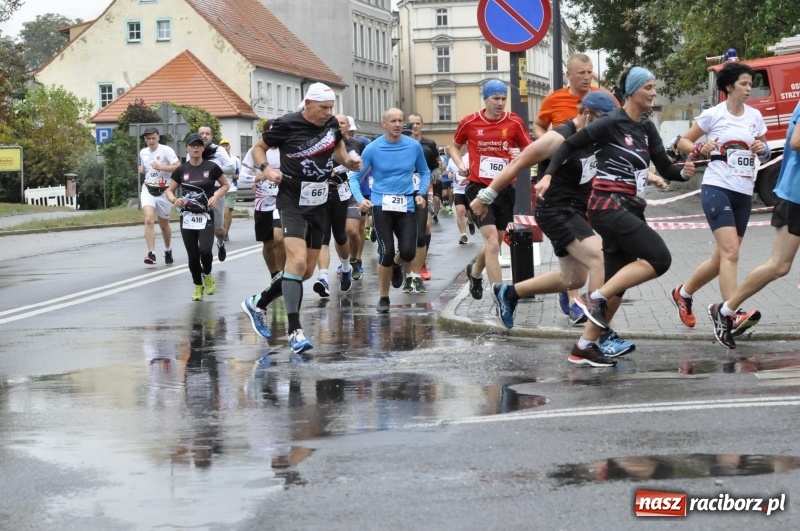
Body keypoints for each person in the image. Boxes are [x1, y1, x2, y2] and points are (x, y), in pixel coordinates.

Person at [542, 66, 695, 367]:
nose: (654, 93)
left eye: (654, 87)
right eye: (649, 87)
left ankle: (585, 345)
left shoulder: (647, 127)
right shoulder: (611, 122)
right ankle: (593, 298)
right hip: (607, 206)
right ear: (633, 91)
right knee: (659, 259)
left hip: (631, 208)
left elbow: (665, 168)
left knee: (618, 285)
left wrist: (682, 173)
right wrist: (547, 175)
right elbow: (569, 145)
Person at [476, 90, 634, 357]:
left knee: (572, 278)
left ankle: (509, 293)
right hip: (557, 210)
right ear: (586, 115)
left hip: (578, 211)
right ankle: (600, 335)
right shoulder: (558, 137)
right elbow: (519, 163)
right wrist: (486, 195)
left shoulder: (596, 136)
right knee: (600, 261)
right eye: (603, 120)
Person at [241, 82, 362, 353]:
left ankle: (257, 302)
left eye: (331, 108)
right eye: (323, 108)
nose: (328, 112)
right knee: (294, 261)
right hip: (292, 201)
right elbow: (258, 149)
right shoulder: (285, 124)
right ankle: (295, 331)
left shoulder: (331, 125)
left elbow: (338, 150)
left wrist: (348, 162)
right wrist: (267, 169)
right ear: (307, 104)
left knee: (305, 271)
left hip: (319, 203)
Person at [670, 62, 768, 335]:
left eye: (751, 84)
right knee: (732, 252)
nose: (749, 88)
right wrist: (701, 146)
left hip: (744, 191)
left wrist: (764, 148)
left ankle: (683, 293)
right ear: (729, 87)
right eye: (744, 84)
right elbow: (683, 142)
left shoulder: (755, 116)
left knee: (720, 258)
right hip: (717, 186)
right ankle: (731, 313)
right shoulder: (713, 114)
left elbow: (763, 151)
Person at [709, 100, 800, 348]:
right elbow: (796, 142)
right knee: (779, 265)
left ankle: (724, 309)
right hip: (796, 195)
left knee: (779, 265)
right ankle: (726, 310)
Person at [534, 53, 613, 324]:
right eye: (581, 72)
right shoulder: (555, 100)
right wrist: (550, 148)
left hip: (587, 183)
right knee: (587, 252)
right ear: (569, 74)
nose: (587, 76)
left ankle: (513, 293)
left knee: (578, 256)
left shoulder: (601, 99)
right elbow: (539, 126)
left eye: (590, 71)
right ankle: (579, 306)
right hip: (559, 184)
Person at [448, 78, 532, 300]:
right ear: (485, 99)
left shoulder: (514, 122)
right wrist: (460, 164)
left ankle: (475, 273)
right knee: (492, 242)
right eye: (496, 98)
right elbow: (453, 147)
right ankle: (500, 295)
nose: (500, 103)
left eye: (504, 98)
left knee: (497, 240)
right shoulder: (470, 122)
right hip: (478, 188)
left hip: (505, 189)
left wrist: (520, 154)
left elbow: (530, 150)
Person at [349, 108, 430, 312]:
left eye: (400, 121)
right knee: (385, 252)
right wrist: (361, 200)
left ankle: (397, 263)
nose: (397, 124)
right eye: (393, 121)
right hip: (381, 206)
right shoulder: (373, 149)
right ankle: (384, 298)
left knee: (408, 252)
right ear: (383, 124)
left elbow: (425, 171)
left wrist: (420, 192)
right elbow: (354, 177)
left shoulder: (413, 146)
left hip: (407, 205)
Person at [165, 133, 229, 301]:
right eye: (192, 145)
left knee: (206, 250)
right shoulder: (182, 169)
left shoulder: (211, 167)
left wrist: (216, 197)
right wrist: (174, 199)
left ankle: (207, 274)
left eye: (199, 145)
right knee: (192, 256)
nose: (196, 148)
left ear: (203, 148)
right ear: (186, 148)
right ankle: (198, 285)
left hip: (206, 216)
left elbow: (225, 185)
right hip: (187, 217)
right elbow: (169, 191)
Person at [312, 114, 367, 297]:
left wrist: (336, 170)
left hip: (343, 194)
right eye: (334, 123)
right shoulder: (318, 142)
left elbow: (356, 164)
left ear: (347, 126)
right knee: (323, 237)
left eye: (341, 123)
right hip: (321, 194)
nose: (337, 126)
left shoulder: (352, 144)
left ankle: (347, 267)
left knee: (342, 235)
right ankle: (323, 278)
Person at [248, 121, 285, 283]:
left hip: (282, 201)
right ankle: (274, 274)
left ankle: (282, 274)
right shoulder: (255, 151)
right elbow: (242, 176)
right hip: (263, 204)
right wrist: (254, 178)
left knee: (279, 239)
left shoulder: (286, 149)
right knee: (268, 243)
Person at [406, 113, 441, 283]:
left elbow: (438, 165)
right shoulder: (399, 143)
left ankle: (422, 264)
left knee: (425, 226)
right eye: (411, 123)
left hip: (423, 191)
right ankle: (404, 260)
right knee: (407, 230)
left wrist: (432, 178)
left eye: (417, 123)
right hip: (402, 193)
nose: (414, 126)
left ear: (422, 125)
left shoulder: (429, 145)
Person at [138, 126, 180, 265]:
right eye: (148, 138)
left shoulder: (166, 150)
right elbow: (146, 168)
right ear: (145, 139)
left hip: (164, 191)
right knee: (149, 219)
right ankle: (152, 253)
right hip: (148, 189)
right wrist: (142, 170)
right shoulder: (143, 152)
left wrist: (161, 167)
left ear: (158, 137)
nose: (151, 141)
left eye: (153, 138)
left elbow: (178, 166)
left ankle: (168, 250)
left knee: (164, 225)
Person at [197, 126, 235, 262]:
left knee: (218, 230)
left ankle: (220, 243)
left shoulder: (218, 150)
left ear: (212, 136)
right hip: (199, 193)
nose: (204, 136)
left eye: (207, 133)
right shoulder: (195, 149)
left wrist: (213, 170)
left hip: (217, 191)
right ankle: (203, 259)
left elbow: (231, 168)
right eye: (201, 133)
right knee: (200, 227)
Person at [446, 144, 476, 244]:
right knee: (460, 211)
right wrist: (449, 174)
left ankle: (471, 222)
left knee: (470, 213)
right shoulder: (451, 160)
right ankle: (463, 235)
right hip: (458, 190)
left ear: (465, 147)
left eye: (461, 146)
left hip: (469, 189)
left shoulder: (470, 157)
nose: (459, 148)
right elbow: (447, 172)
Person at [219, 139, 241, 242]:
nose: (225, 147)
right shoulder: (218, 160)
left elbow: (240, 175)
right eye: (222, 146)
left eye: (226, 145)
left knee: (227, 211)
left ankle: (225, 233)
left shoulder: (235, 160)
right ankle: (221, 230)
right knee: (222, 213)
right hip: (220, 189)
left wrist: (232, 175)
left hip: (231, 188)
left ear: (229, 147)